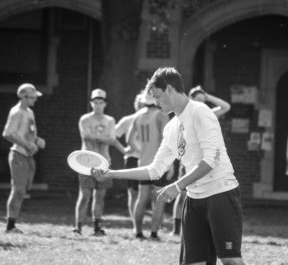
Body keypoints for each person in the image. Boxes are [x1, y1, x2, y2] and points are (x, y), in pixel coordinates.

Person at [92, 67, 245, 265]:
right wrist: (111, 174)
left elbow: (211, 160)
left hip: (221, 193)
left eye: (157, 96)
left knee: (231, 261)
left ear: (170, 89)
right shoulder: (171, 127)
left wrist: (177, 185)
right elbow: (154, 169)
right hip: (194, 200)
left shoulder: (200, 112)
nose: (155, 103)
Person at [171, 85, 231, 236]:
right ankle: (176, 228)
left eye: (203, 101)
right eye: (197, 100)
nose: (201, 102)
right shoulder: (183, 116)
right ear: (190, 99)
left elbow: (226, 106)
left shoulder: (208, 114)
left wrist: (207, 96)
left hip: (205, 162)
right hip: (189, 162)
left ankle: (200, 227)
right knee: (183, 195)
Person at [74, 88, 119, 236]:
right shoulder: (85, 119)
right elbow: (86, 136)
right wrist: (102, 137)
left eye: (101, 102)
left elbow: (112, 139)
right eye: (95, 102)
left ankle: (97, 227)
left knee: (100, 195)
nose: (98, 105)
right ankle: (78, 226)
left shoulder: (110, 120)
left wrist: (97, 137)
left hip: (104, 162)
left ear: (105, 104)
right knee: (85, 194)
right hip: (86, 162)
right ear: (91, 103)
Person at [3, 83, 46, 233]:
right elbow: (8, 133)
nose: (35, 99)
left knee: (23, 191)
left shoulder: (29, 112)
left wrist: (37, 140)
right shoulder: (16, 112)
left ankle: (12, 224)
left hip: (27, 155)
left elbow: (28, 132)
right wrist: (27, 144)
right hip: (18, 155)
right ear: (23, 96)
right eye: (33, 97)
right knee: (18, 190)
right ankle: (10, 226)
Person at [127, 92, 169, 240]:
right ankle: (154, 233)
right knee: (159, 199)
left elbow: (129, 140)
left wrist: (141, 151)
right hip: (159, 164)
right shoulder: (161, 115)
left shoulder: (137, 116)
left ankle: (137, 232)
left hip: (143, 163)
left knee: (141, 197)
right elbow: (168, 139)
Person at [114, 92, 145, 224]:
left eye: (143, 104)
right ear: (135, 104)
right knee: (133, 192)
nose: (141, 106)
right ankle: (135, 224)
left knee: (147, 192)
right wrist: (124, 150)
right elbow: (112, 136)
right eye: (139, 104)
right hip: (132, 158)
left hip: (148, 160)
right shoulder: (128, 120)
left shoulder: (155, 119)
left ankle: (153, 224)